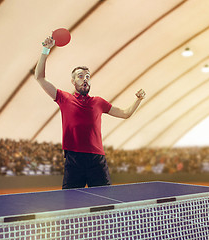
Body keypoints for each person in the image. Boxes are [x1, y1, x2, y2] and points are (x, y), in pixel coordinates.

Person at [35, 35, 146, 189]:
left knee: (105, 202)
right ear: (73, 82)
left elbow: (125, 113)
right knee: (71, 201)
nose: (85, 79)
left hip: (97, 160)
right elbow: (40, 77)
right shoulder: (63, 98)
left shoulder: (99, 102)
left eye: (87, 77)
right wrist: (45, 50)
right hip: (74, 159)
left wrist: (138, 100)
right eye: (80, 77)